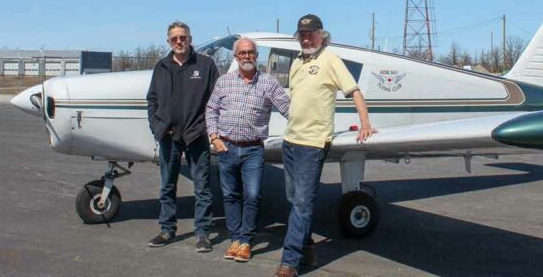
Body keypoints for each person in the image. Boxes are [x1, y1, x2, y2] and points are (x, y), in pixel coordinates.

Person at [274, 14, 375, 277]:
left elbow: (354, 90)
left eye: (311, 33)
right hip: (290, 140)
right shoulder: (297, 62)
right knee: (293, 199)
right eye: (302, 34)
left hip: (313, 143)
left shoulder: (330, 59)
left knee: (302, 203)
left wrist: (365, 122)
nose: (306, 38)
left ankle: (289, 262)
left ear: (322, 35)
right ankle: (307, 247)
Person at [206, 37, 291, 263]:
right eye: (242, 53)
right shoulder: (223, 82)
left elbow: (289, 109)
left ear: (256, 55)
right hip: (226, 147)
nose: (246, 56)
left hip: (253, 149)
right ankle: (235, 239)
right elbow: (211, 109)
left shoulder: (269, 83)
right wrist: (214, 137)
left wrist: (312, 125)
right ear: (235, 57)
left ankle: (245, 241)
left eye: (250, 52)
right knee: (230, 195)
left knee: (252, 195)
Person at [146, 21, 219, 252]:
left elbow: (216, 101)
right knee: (167, 186)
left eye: (183, 37)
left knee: (202, 188)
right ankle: (167, 229)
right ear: (169, 41)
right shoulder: (161, 67)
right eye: (174, 38)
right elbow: (152, 100)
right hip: (169, 137)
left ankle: (203, 233)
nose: (179, 42)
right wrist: (157, 127)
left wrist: (205, 128)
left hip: (196, 136)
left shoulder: (206, 65)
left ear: (190, 39)